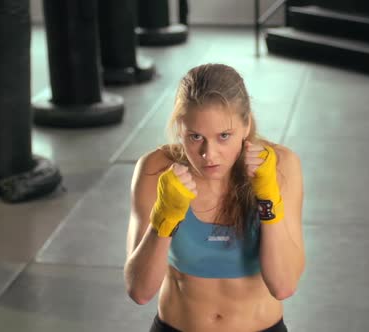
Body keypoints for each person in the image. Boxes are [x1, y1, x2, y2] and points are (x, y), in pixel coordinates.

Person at [124, 63, 305, 332]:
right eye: (195, 137)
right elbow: (139, 291)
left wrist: (268, 200)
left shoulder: (279, 166)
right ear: (179, 129)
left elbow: (284, 285)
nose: (209, 154)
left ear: (246, 125)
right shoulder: (156, 169)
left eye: (224, 136)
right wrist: (164, 220)